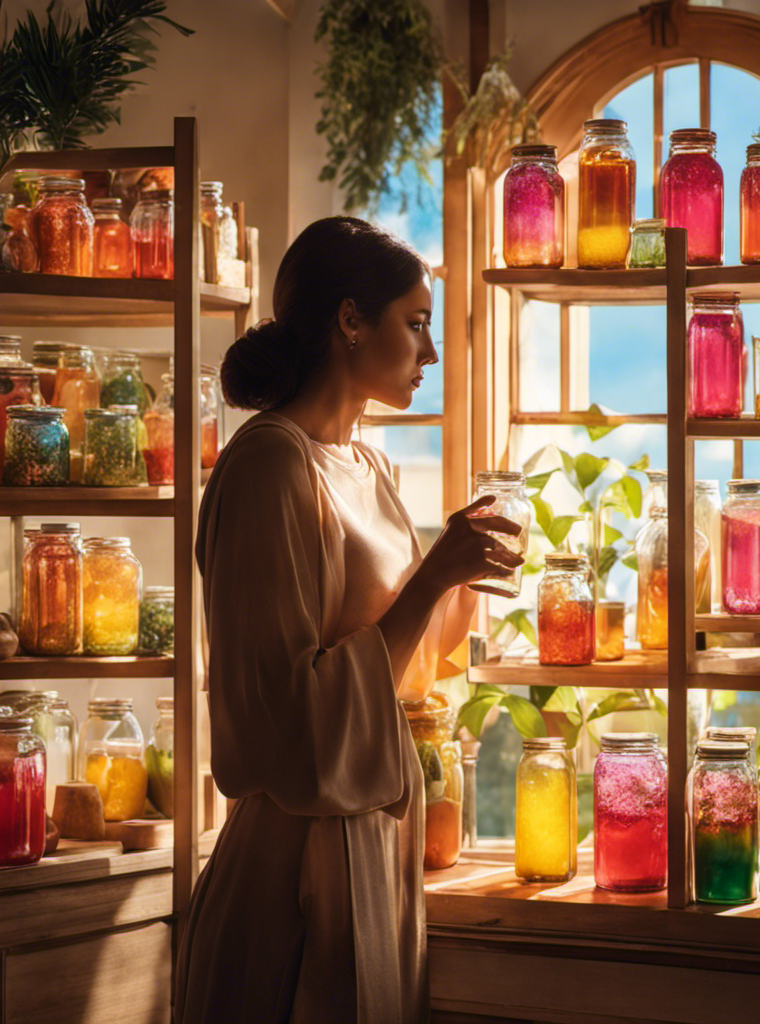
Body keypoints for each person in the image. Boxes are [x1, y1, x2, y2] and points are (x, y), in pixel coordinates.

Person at [173, 217, 522, 1024]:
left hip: (376, 854)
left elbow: (407, 665)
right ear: (350, 320)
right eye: (417, 323)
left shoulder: (368, 464)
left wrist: (461, 579)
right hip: (290, 872)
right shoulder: (267, 466)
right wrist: (432, 573)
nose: (430, 353)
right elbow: (284, 717)